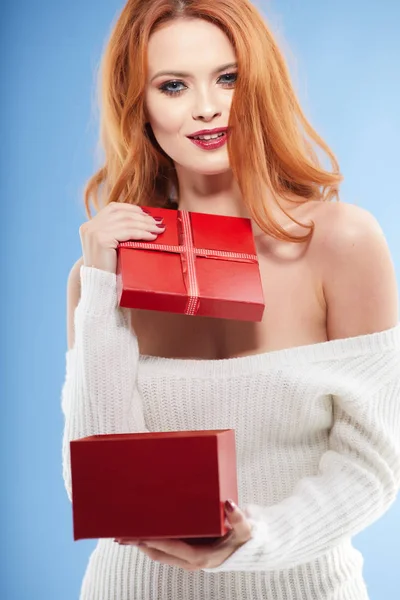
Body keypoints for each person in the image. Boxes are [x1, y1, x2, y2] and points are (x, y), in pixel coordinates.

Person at [61, 1, 400, 599]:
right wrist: (101, 290)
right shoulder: (97, 278)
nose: (207, 107)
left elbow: (372, 465)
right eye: (172, 85)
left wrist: (256, 539)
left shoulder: (342, 243)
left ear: (260, 82)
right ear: (138, 105)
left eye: (229, 77)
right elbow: (100, 481)